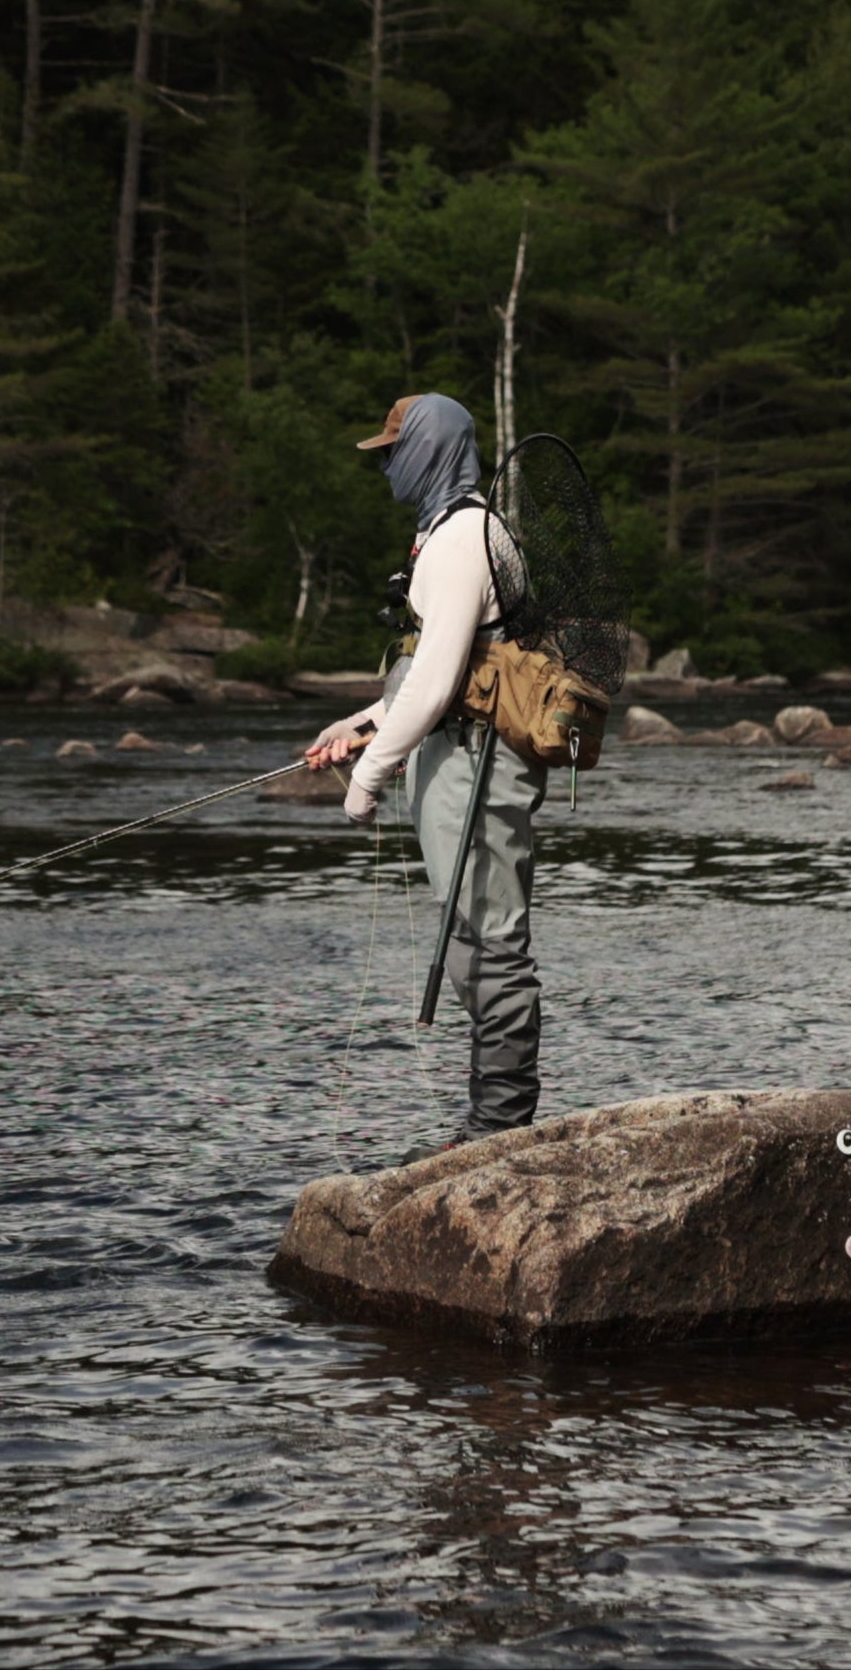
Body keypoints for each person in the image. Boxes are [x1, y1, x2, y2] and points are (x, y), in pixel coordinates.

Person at [305, 391, 547, 1144]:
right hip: (458, 757)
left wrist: (367, 777)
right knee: (473, 935)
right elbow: (442, 670)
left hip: (478, 766)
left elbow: (439, 682)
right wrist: (354, 725)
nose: (386, 470)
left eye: (393, 453)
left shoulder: (459, 539)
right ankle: (489, 1125)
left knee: (490, 940)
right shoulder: (455, 530)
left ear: (431, 449)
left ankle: (497, 1128)